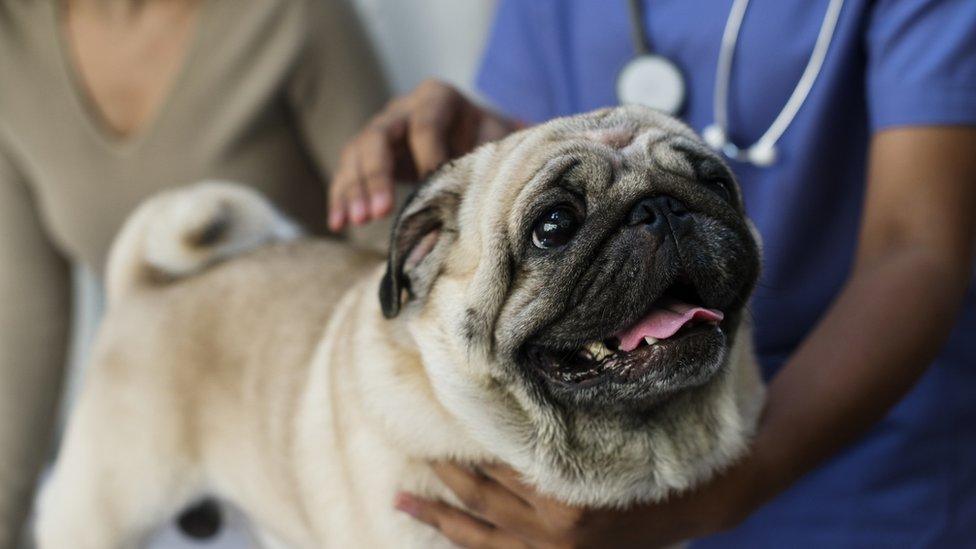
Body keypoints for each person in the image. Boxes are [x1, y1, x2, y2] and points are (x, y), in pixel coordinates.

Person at [330, 0, 976, 546]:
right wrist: (479, 149)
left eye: (701, 186)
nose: (654, 223)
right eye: (557, 224)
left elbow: (914, 246)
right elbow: (533, 143)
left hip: (862, 455)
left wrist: (717, 495)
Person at [0, 0, 386, 545]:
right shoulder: (11, 42)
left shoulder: (295, 14)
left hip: (306, 442)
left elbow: (393, 246)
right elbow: (25, 320)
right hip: (144, 408)